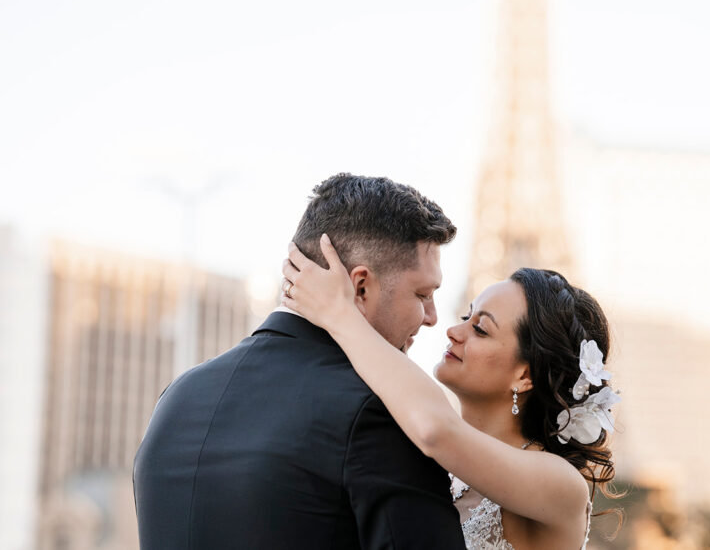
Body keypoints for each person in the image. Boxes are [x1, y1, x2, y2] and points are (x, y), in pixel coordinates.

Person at [133, 174, 465, 549]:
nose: (433, 317)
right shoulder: (380, 412)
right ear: (360, 287)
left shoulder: (177, 398)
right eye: (422, 293)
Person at [281, 234, 621, 550]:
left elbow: (435, 430)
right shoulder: (438, 472)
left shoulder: (562, 486)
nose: (454, 331)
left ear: (525, 375)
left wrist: (340, 314)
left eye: (481, 329)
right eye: (465, 316)